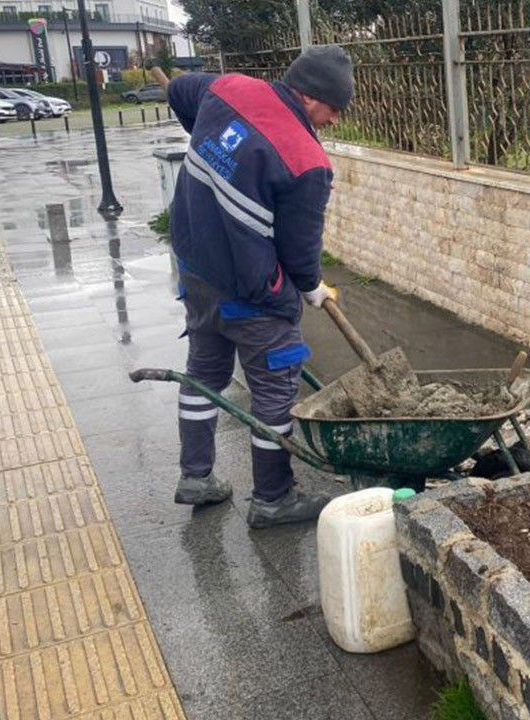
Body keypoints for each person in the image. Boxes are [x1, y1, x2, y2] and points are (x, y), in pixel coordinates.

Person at [155, 47, 352, 528]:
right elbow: (301, 251)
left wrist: (204, 137)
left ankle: (195, 477)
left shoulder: (228, 90)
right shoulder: (307, 161)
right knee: (275, 393)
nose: (335, 120)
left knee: (203, 373)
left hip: (197, 273)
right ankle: (273, 499)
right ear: (309, 97)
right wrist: (311, 290)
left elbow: (180, 90)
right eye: (334, 109)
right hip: (253, 295)